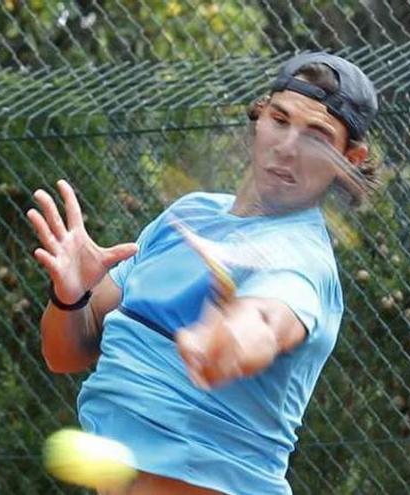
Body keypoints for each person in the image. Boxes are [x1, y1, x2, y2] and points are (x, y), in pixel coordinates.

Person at [27, 52, 378, 495]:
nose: (288, 146)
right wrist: (72, 296)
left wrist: (227, 343)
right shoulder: (190, 214)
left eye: (317, 136)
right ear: (260, 115)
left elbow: (266, 321)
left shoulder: (301, 257)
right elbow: (67, 354)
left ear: (351, 157)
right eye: (280, 119)